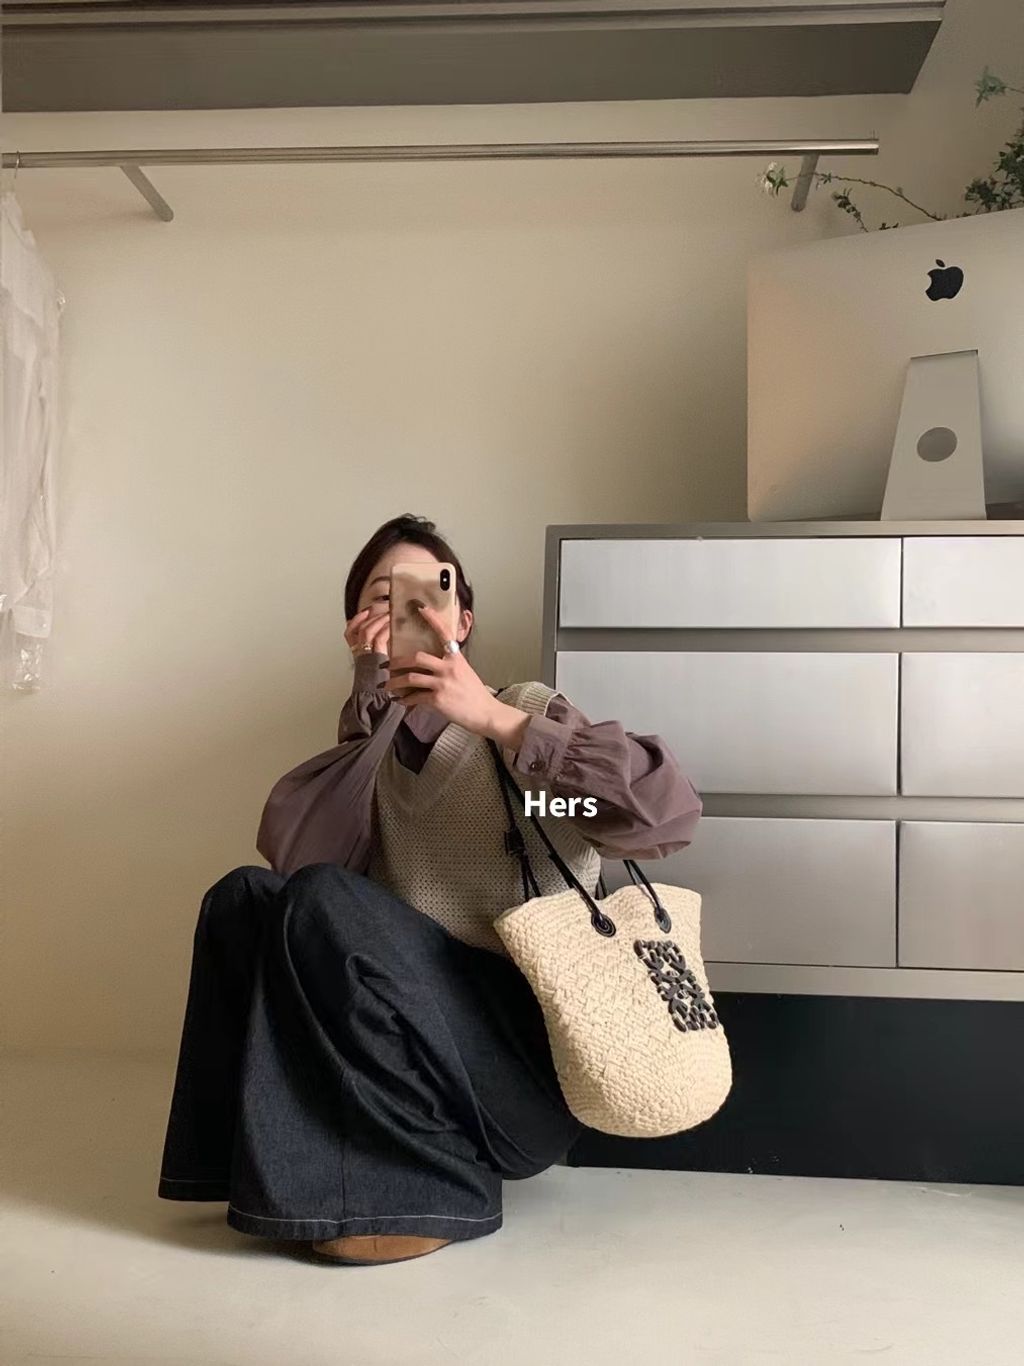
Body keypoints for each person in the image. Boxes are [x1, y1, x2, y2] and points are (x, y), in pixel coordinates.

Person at [158, 514, 702, 1266]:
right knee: (245, 898)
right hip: (426, 1048)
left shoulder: (524, 714)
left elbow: (665, 816)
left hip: (527, 1069)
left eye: (425, 596)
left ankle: (431, 1191)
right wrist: (369, 706)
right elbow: (304, 879)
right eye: (381, 600)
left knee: (319, 898)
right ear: (359, 631)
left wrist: (497, 721)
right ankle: (257, 1172)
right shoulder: (373, 755)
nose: (404, 612)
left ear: (462, 621)